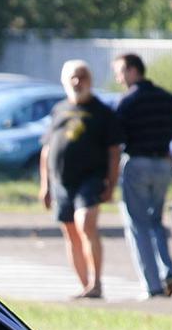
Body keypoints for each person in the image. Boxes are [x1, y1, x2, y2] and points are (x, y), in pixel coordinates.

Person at [39, 60, 123, 300]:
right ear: (65, 81)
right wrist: (45, 185)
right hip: (61, 181)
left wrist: (111, 183)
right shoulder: (59, 109)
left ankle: (96, 283)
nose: (78, 82)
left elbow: (114, 151)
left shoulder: (102, 112)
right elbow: (46, 150)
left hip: (91, 178)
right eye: (73, 77)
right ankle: (85, 285)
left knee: (85, 222)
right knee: (70, 231)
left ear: (91, 80)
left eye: (82, 76)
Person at [113, 53, 172, 299]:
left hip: (137, 164)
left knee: (137, 225)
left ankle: (152, 286)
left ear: (132, 71)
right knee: (155, 221)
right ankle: (167, 270)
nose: (118, 78)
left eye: (120, 72)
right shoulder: (165, 97)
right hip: (163, 165)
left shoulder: (127, 101)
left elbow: (115, 142)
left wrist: (110, 175)